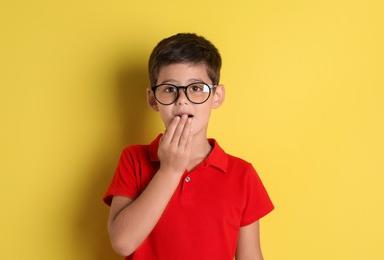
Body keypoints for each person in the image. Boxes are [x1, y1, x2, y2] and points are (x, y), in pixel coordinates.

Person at [103, 33, 274, 260]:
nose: (182, 100)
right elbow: (123, 242)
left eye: (196, 88)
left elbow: (250, 256)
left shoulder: (242, 175)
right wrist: (169, 170)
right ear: (153, 99)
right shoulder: (133, 159)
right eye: (170, 89)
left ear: (216, 96)